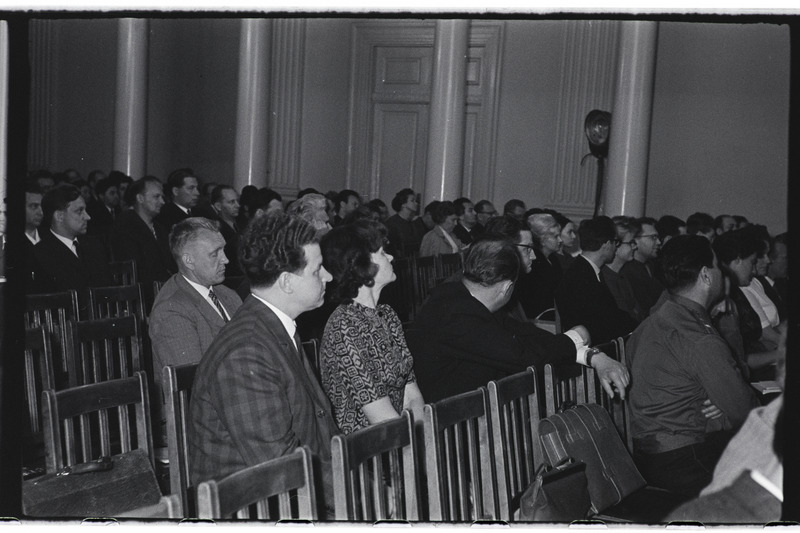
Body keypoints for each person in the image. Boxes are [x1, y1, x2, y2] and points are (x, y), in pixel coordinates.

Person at [189, 212, 337, 516]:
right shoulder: (246, 351)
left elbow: (318, 432)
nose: (329, 277)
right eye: (317, 270)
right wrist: (360, 492)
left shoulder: (276, 327)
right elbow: (280, 466)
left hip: (290, 497)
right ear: (286, 282)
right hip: (253, 511)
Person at [407, 236, 630, 403]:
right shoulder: (459, 315)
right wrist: (575, 339)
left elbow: (523, 332)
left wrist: (590, 354)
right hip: (452, 429)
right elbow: (524, 356)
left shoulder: (460, 296)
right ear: (507, 288)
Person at [627, 235, 759, 497]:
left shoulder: (653, 322)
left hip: (646, 455)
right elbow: (745, 410)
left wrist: (718, 401)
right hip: (684, 459)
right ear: (706, 276)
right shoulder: (698, 338)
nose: (723, 271)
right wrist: (721, 413)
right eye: (717, 266)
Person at [319, 219, 424, 435]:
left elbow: (411, 394)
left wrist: (425, 437)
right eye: (383, 253)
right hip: (364, 451)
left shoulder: (387, 315)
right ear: (362, 265)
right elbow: (379, 417)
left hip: (397, 438)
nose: (392, 257)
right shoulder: (344, 327)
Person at [149, 218, 242, 444]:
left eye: (224, 250)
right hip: (201, 424)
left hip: (235, 404)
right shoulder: (171, 309)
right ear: (189, 260)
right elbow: (195, 387)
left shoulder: (227, 294)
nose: (226, 259)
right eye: (215, 253)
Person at [555, 216, 638, 344]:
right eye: (615, 242)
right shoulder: (580, 277)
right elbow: (603, 322)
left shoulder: (586, 270)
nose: (616, 247)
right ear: (606, 244)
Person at [31, 184, 113, 312]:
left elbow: (107, 291)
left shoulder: (94, 245)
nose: (87, 217)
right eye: (79, 211)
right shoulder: (40, 254)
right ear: (59, 216)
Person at [112, 176, 175, 310]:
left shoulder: (160, 228)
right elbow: (134, 269)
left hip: (163, 293)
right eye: (156, 197)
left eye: (162, 197)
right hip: (141, 300)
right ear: (140, 198)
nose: (162, 202)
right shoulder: (125, 225)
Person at [520, 211, 562, 319]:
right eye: (555, 236)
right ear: (542, 239)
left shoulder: (554, 259)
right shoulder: (533, 263)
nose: (560, 240)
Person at [620, 217, 664, 318]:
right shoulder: (628, 271)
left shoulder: (651, 266)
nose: (658, 242)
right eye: (653, 237)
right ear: (635, 240)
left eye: (658, 238)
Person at [602, 217, 645, 324]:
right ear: (615, 245)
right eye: (631, 243)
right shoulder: (605, 278)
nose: (635, 247)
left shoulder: (621, 277)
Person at [384, 188, 424, 257]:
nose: (416, 203)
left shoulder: (413, 223)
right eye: (412, 201)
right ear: (403, 204)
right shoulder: (392, 224)